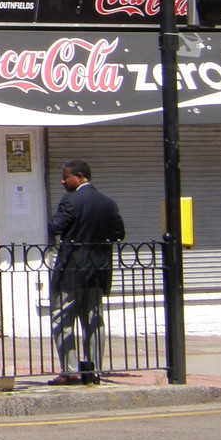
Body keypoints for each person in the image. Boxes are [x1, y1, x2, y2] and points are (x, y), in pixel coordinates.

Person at [48, 160, 126, 386]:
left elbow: (55, 227)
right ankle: (94, 370)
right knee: (93, 319)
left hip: (71, 269)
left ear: (80, 176)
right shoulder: (108, 204)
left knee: (62, 318)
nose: (63, 181)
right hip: (97, 270)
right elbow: (119, 233)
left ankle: (70, 370)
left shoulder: (71, 200)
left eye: (66, 177)